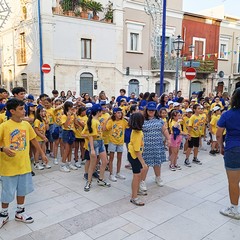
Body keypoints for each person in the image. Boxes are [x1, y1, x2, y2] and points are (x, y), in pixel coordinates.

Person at [0, 98, 48, 228]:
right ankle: (4, 214)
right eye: (21, 109)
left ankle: (19, 212)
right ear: (12, 111)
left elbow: (33, 140)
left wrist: (42, 154)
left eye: (23, 108)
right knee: (7, 192)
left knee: (22, 190)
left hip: (24, 166)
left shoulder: (26, 125)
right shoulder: (4, 126)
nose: (24, 110)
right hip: (8, 167)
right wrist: (3, 148)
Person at [216, 87, 240, 220]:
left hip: (233, 149)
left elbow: (219, 134)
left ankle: (235, 209)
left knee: (233, 182)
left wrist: (221, 147)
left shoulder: (227, 114)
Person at [141, 102, 170, 192]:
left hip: (157, 145)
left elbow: (164, 130)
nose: (151, 111)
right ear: (147, 110)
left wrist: (168, 139)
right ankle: (142, 181)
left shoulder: (159, 120)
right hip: (146, 147)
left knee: (157, 163)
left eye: (153, 110)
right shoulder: (142, 120)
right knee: (145, 164)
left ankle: (158, 177)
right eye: (149, 110)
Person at [82, 104, 111, 191]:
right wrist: (93, 150)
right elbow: (91, 136)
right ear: (98, 112)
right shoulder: (93, 121)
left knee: (105, 161)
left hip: (100, 141)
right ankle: (89, 182)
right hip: (94, 143)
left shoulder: (96, 120)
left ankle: (101, 179)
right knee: (93, 164)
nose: (103, 111)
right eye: (101, 110)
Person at [128, 112, 148, 206]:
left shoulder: (136, 131)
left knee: (138, 175)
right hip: (135, 156)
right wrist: (143, 163)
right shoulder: (137, 133)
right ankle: (134, 197)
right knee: (136, 176)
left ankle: (136, 192)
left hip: (134, 155)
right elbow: (136, 150)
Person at [105, 107, 128, 182]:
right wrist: (107, 120)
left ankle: (118, 173)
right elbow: (105, 129)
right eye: (118, 113)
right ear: (114, 114)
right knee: (111, 158)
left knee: (119, 158)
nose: (120, 114)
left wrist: (126, 118)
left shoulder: (123, 121)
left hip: (120, 142)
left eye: (120, 113)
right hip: (112, 142)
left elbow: (131, 125)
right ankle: (111, 174)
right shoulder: (111, 121)